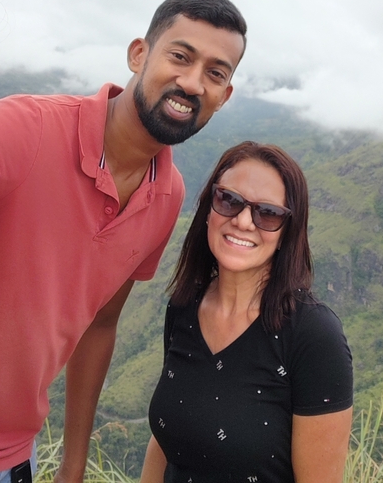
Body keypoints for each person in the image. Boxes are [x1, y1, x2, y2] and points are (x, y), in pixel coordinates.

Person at [0, 0, 248, 482]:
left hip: (8, 460)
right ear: (139, 54)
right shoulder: (22, 129)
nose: (192, 82)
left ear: (225, 96)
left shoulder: (167, 193)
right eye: (180, 56)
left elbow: (101, 324)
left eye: (215, 73)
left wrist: (73, 464)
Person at [141, 141, 354, 483]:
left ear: (287, 232)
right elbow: (166, 444)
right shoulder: (184, 306)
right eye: (229, 200)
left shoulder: (313, 335)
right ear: (208, 208)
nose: (242, 221)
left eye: (267, 213)